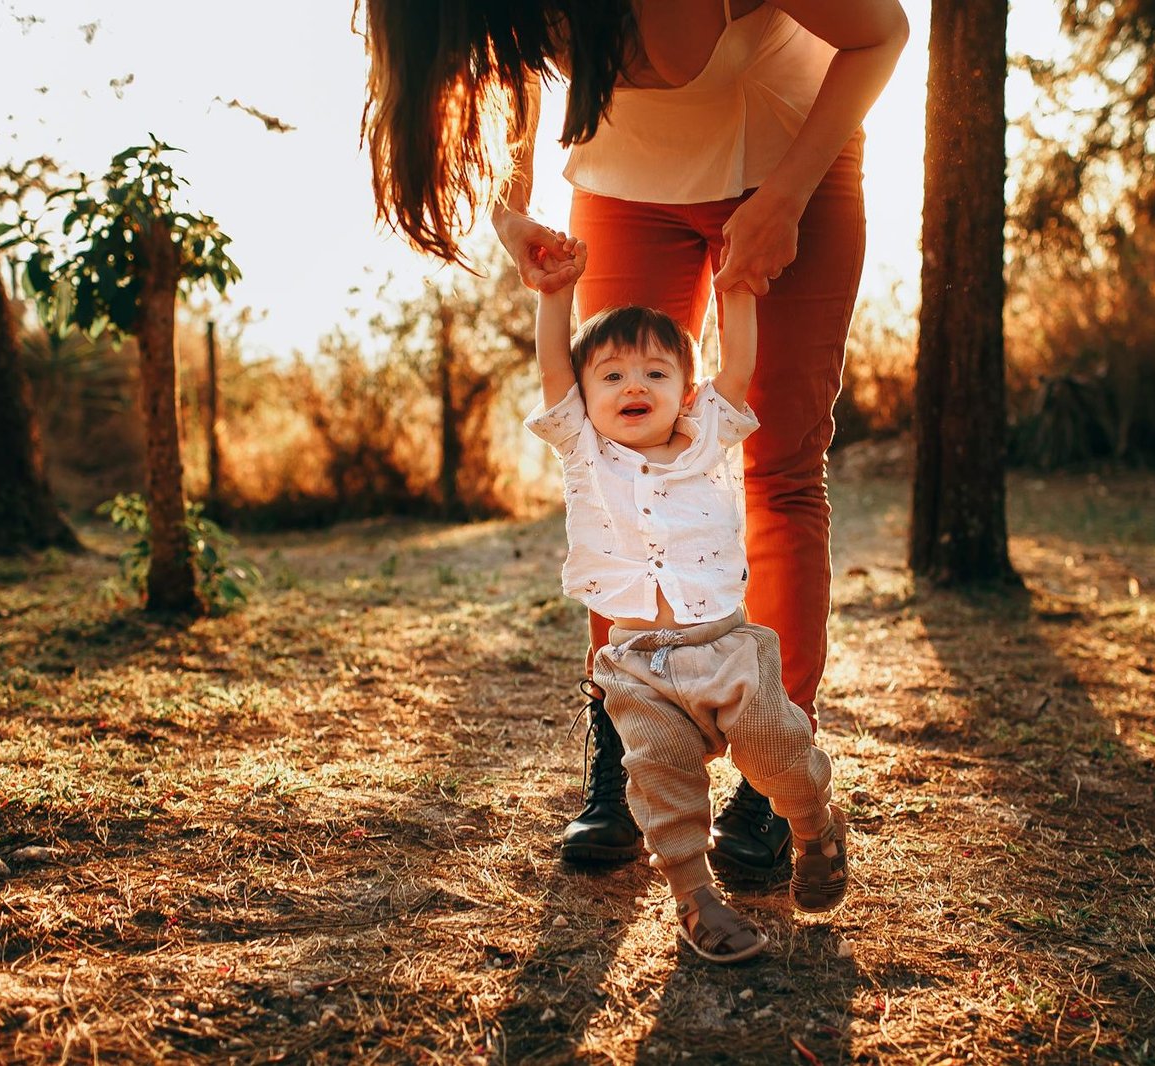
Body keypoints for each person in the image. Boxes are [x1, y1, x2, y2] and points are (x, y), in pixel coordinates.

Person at [362, 0, 908, 881]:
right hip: (623, 184)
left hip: (787, 160)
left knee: (778, 473)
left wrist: (787, 198)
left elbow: (881, 32)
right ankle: (622, 757)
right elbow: (508, 69)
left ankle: (774, 773)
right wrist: (509, 214)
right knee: (613, 470)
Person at [527, 232, 847, 962]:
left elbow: (738, 365)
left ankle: (813, 825)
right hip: (637, 665)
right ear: (584, 396)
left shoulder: (707, 440)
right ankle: (695, 900)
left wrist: (737, 290)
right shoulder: (584, 450)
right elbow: (554, 366)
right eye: (609, 376)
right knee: (661, 776)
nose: (631, 386)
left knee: (778, 753)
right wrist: (555, 297)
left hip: (726, 649)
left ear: (685, 390)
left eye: (654, 372)